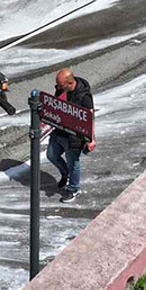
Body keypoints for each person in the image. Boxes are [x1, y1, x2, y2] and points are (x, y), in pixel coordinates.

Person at [46, 68, 95, 203]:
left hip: (74, 136)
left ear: (70, 83)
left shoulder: (84, 97)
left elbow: (90, 119)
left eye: (60, 86)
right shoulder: (62, 89)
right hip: (59, 131)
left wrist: (91, 139)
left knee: (73, 163)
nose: (57, 88)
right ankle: (65, 174)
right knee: (51, 155)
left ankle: (73, 189)